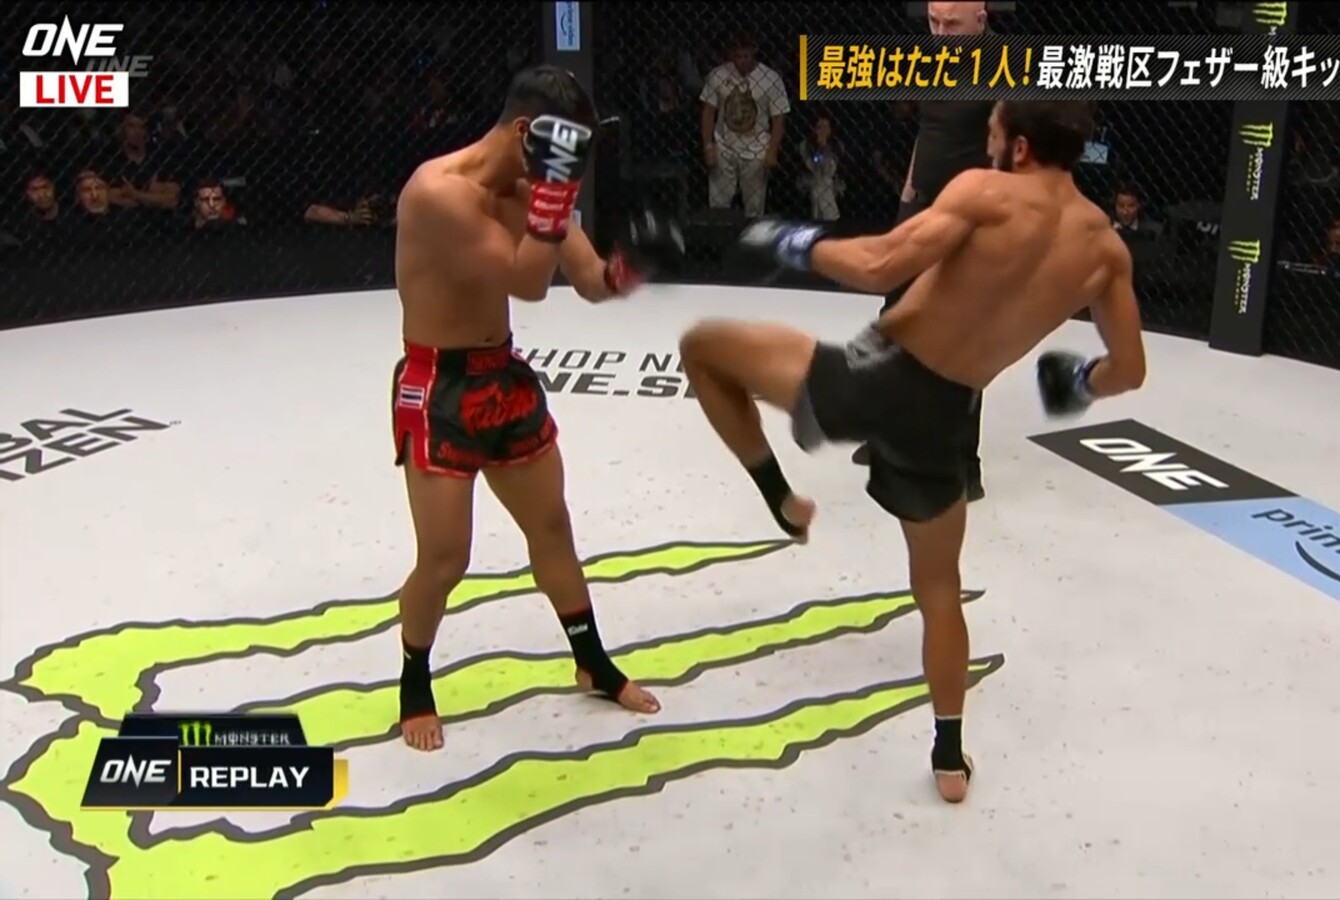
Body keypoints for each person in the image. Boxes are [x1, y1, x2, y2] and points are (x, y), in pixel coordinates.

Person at [677, 100, 1148, 803]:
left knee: (702, 349)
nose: (988, 149)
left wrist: (792, 241)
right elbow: (1129, 370)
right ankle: (950, 757)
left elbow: (879, 265)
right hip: (946, 417)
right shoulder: (1106, 252)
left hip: (877, 377)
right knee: (939, 590)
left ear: (1020, 148)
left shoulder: (986, 192)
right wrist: (1079, 381)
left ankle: (782, 500)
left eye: (992, 137)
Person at [390, 64, 684, 751]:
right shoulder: (437, 193)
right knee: (445, 558)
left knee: (552, 528)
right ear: (528, 131)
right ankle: (413, 679)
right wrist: (553, 196)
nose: (570, 166)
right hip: (439, 387)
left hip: (503, 378)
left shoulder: (530, 190)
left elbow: (588, 280)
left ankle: (591, 662)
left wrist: (632, 267)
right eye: (565, 148)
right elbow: (526, 281)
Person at [851, 1, 995, 503]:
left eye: (952, 24)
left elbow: (1015, 158)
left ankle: (964, 465)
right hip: (921, 208)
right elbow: (927, 131)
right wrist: (908, 194)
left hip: (969, 219)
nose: (941, 32)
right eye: (934, 22)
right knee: (895, 318)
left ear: (981, 20)